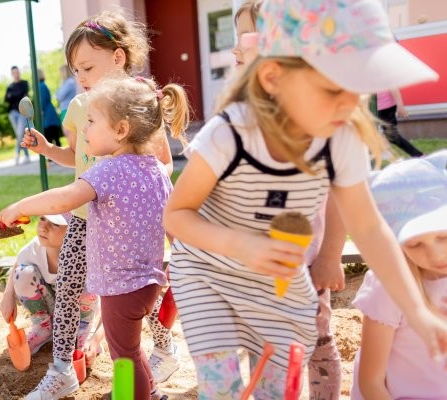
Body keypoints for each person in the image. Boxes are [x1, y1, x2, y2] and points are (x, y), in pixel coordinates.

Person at [163, 0, 446, 398]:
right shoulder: (230, 134)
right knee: (223, 385)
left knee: (278, 386)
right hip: (207, 272)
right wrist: (239, 243)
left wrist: (416, 311)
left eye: (358, 89)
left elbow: (368, 228)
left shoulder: (341, 138)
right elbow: (176, 215)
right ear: (273, 77)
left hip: (275, 280)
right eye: (333, 88)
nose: (349, 105)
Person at [20, 11, 182, 399]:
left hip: (127, 224)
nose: (82, 77)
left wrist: (143, 196)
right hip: (85, 215)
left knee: (137, 299)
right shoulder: (80, 106)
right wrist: (46, 150)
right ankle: (63, 368)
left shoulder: (143, 103)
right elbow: (75, 157)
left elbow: (163, 162)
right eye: (76, 70)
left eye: (88, 67)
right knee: (77, 289)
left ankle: (161, 351)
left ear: (119, 58)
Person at [231, 2, 346, 397]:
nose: (235, 51)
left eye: (246, 40)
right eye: (237, 43)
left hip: (306, 267)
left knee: (315, 342)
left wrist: (331, 256)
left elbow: (339, 198)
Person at [351, 151, 447, 399]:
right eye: (415, 244)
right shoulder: (387, 288)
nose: (436, 255)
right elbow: (371, 382)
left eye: (443, 237)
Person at [0, 213, 101, 356]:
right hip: (53, 305)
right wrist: (8, 295)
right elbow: (18, 264)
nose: (43, 227)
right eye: (42, 219)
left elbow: (114, 303)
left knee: (87, 286)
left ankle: (83, 330)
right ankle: (44, 327)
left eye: (55, 224)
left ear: (74, 229)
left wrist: (95, 340)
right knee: (22, 273)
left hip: (81, 312)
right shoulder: (34, 248)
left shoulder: (88, 253)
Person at [376, 88, 424, 157]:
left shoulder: (385, 78)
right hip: (372, 108)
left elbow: (394, 89)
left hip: (387, 108)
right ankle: (381, 150)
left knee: (391, 135)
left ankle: (418, 155)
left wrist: (400, 106)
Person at [5, 65, 31, 164]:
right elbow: (6, 99)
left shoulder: (24, 83)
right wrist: (17, 95)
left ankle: (16, 154)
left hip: (22, 111)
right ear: (12, 74)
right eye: (14, 73)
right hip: (12, 113)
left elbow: (24, 95)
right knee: (19, 135)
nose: (16, 74)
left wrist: (13, 96)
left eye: (17, 72)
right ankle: (27, 156)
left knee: (20, 133)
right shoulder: (10, 86)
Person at [37, 69, 63, 147]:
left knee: (49, 136)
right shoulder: (43, 85)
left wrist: (40, 111)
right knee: (55, 136)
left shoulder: (40, 86)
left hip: (47, 115)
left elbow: (42, 101)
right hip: (50, 112)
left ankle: (53, 157)